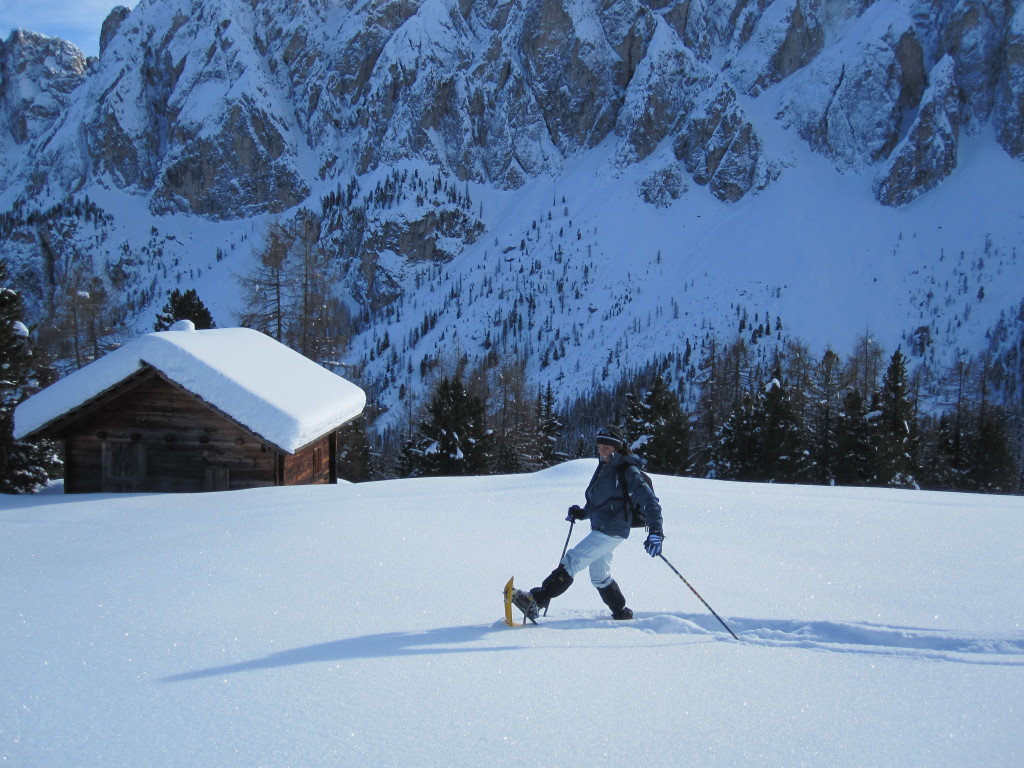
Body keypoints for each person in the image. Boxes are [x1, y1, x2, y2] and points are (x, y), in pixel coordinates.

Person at [513, 425, 664, 621]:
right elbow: (602, 501)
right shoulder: (604, 466)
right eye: (600, 447)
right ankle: (621, 612)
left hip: (612, 529)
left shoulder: (628, 469)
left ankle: (536, 600)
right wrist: (583, 513)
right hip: (603, 527)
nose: (602, 452)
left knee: (573, 561)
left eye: (607, 448)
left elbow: (650, 501)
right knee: (599, 575)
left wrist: (656, 532)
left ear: (617, 448)